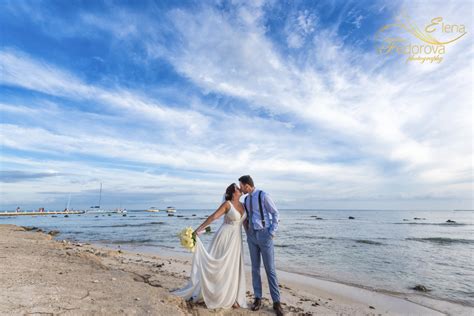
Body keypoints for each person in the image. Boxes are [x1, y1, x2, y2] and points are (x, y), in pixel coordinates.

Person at [172, 183, 248, 309]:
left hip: (237, 239)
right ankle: (216, 295)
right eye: (237, 188)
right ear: (233, 192)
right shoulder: (227, 204)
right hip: (225, 237)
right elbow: (213, 217)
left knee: (233, 267)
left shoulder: (243, 205)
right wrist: (198, 230)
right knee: (221, 266)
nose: (240, 189)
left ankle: (233, 297)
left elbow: (245, 223)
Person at [239, 175, 284, 316]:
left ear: (247, 185)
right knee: (255, 269)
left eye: (241, 186)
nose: (240, 188)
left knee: (270, 269)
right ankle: (257, 299)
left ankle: (276, 302)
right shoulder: (246, 199)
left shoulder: (263, 195)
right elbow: (247, 218)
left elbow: (275, 213)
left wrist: (271, 232)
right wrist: (247, 232)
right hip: (252, 236)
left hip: (265, 235)